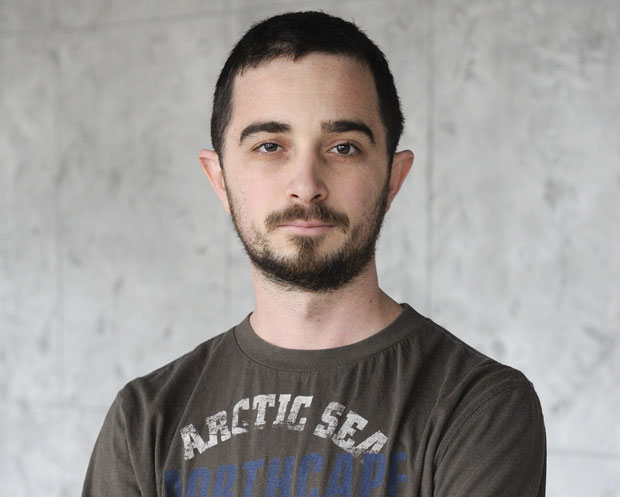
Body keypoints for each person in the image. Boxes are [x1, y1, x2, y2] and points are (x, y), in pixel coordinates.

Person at [82, 11, 546, 497]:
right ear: (220, 180)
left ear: (393, 179)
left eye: (343, 147)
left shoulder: (477, 406)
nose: (306, 186)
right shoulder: (145, 419)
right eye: (270, 146)